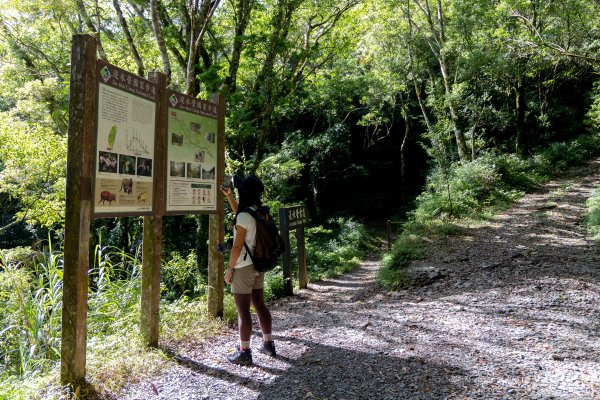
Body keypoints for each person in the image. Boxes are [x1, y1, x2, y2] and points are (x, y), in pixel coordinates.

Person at [222, 174, 276, 365]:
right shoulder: (259, 212)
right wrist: (229, 197)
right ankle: (268, 344)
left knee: (243, 311)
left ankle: (245, 351)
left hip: (243, 268)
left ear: (244, 193)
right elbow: (241, 217)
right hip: (258, 266)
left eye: (238, 190)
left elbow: (236, 247)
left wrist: (229, 270)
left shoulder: (246, 215)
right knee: (260, 305)